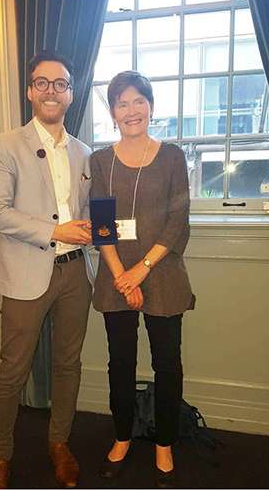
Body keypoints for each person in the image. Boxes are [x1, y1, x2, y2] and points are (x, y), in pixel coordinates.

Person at [0, 50, 94, 489]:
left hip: (75, 276)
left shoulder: (85, 152)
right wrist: (55, 230)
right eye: (42, 82)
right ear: (30, 91)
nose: (51, 90)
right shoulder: (4, 145)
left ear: (71, 92)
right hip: (25, 271)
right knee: (13, 370)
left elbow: (89, 216)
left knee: (69, 364)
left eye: (60, 83)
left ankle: (59, 444)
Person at [90, 71, 195, 489]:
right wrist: (122, 277)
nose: (131, 110)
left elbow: (177, 222)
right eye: (121, 103)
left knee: (168, 364)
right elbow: (102, 227)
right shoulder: (99, 161)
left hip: (162, 274)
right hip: (116, 278)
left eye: (138, 101)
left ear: (150, 106)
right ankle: (121, 436)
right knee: (121, 363)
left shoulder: (172, 157)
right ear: (112, 112)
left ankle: (164, 442)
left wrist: (141, 271)